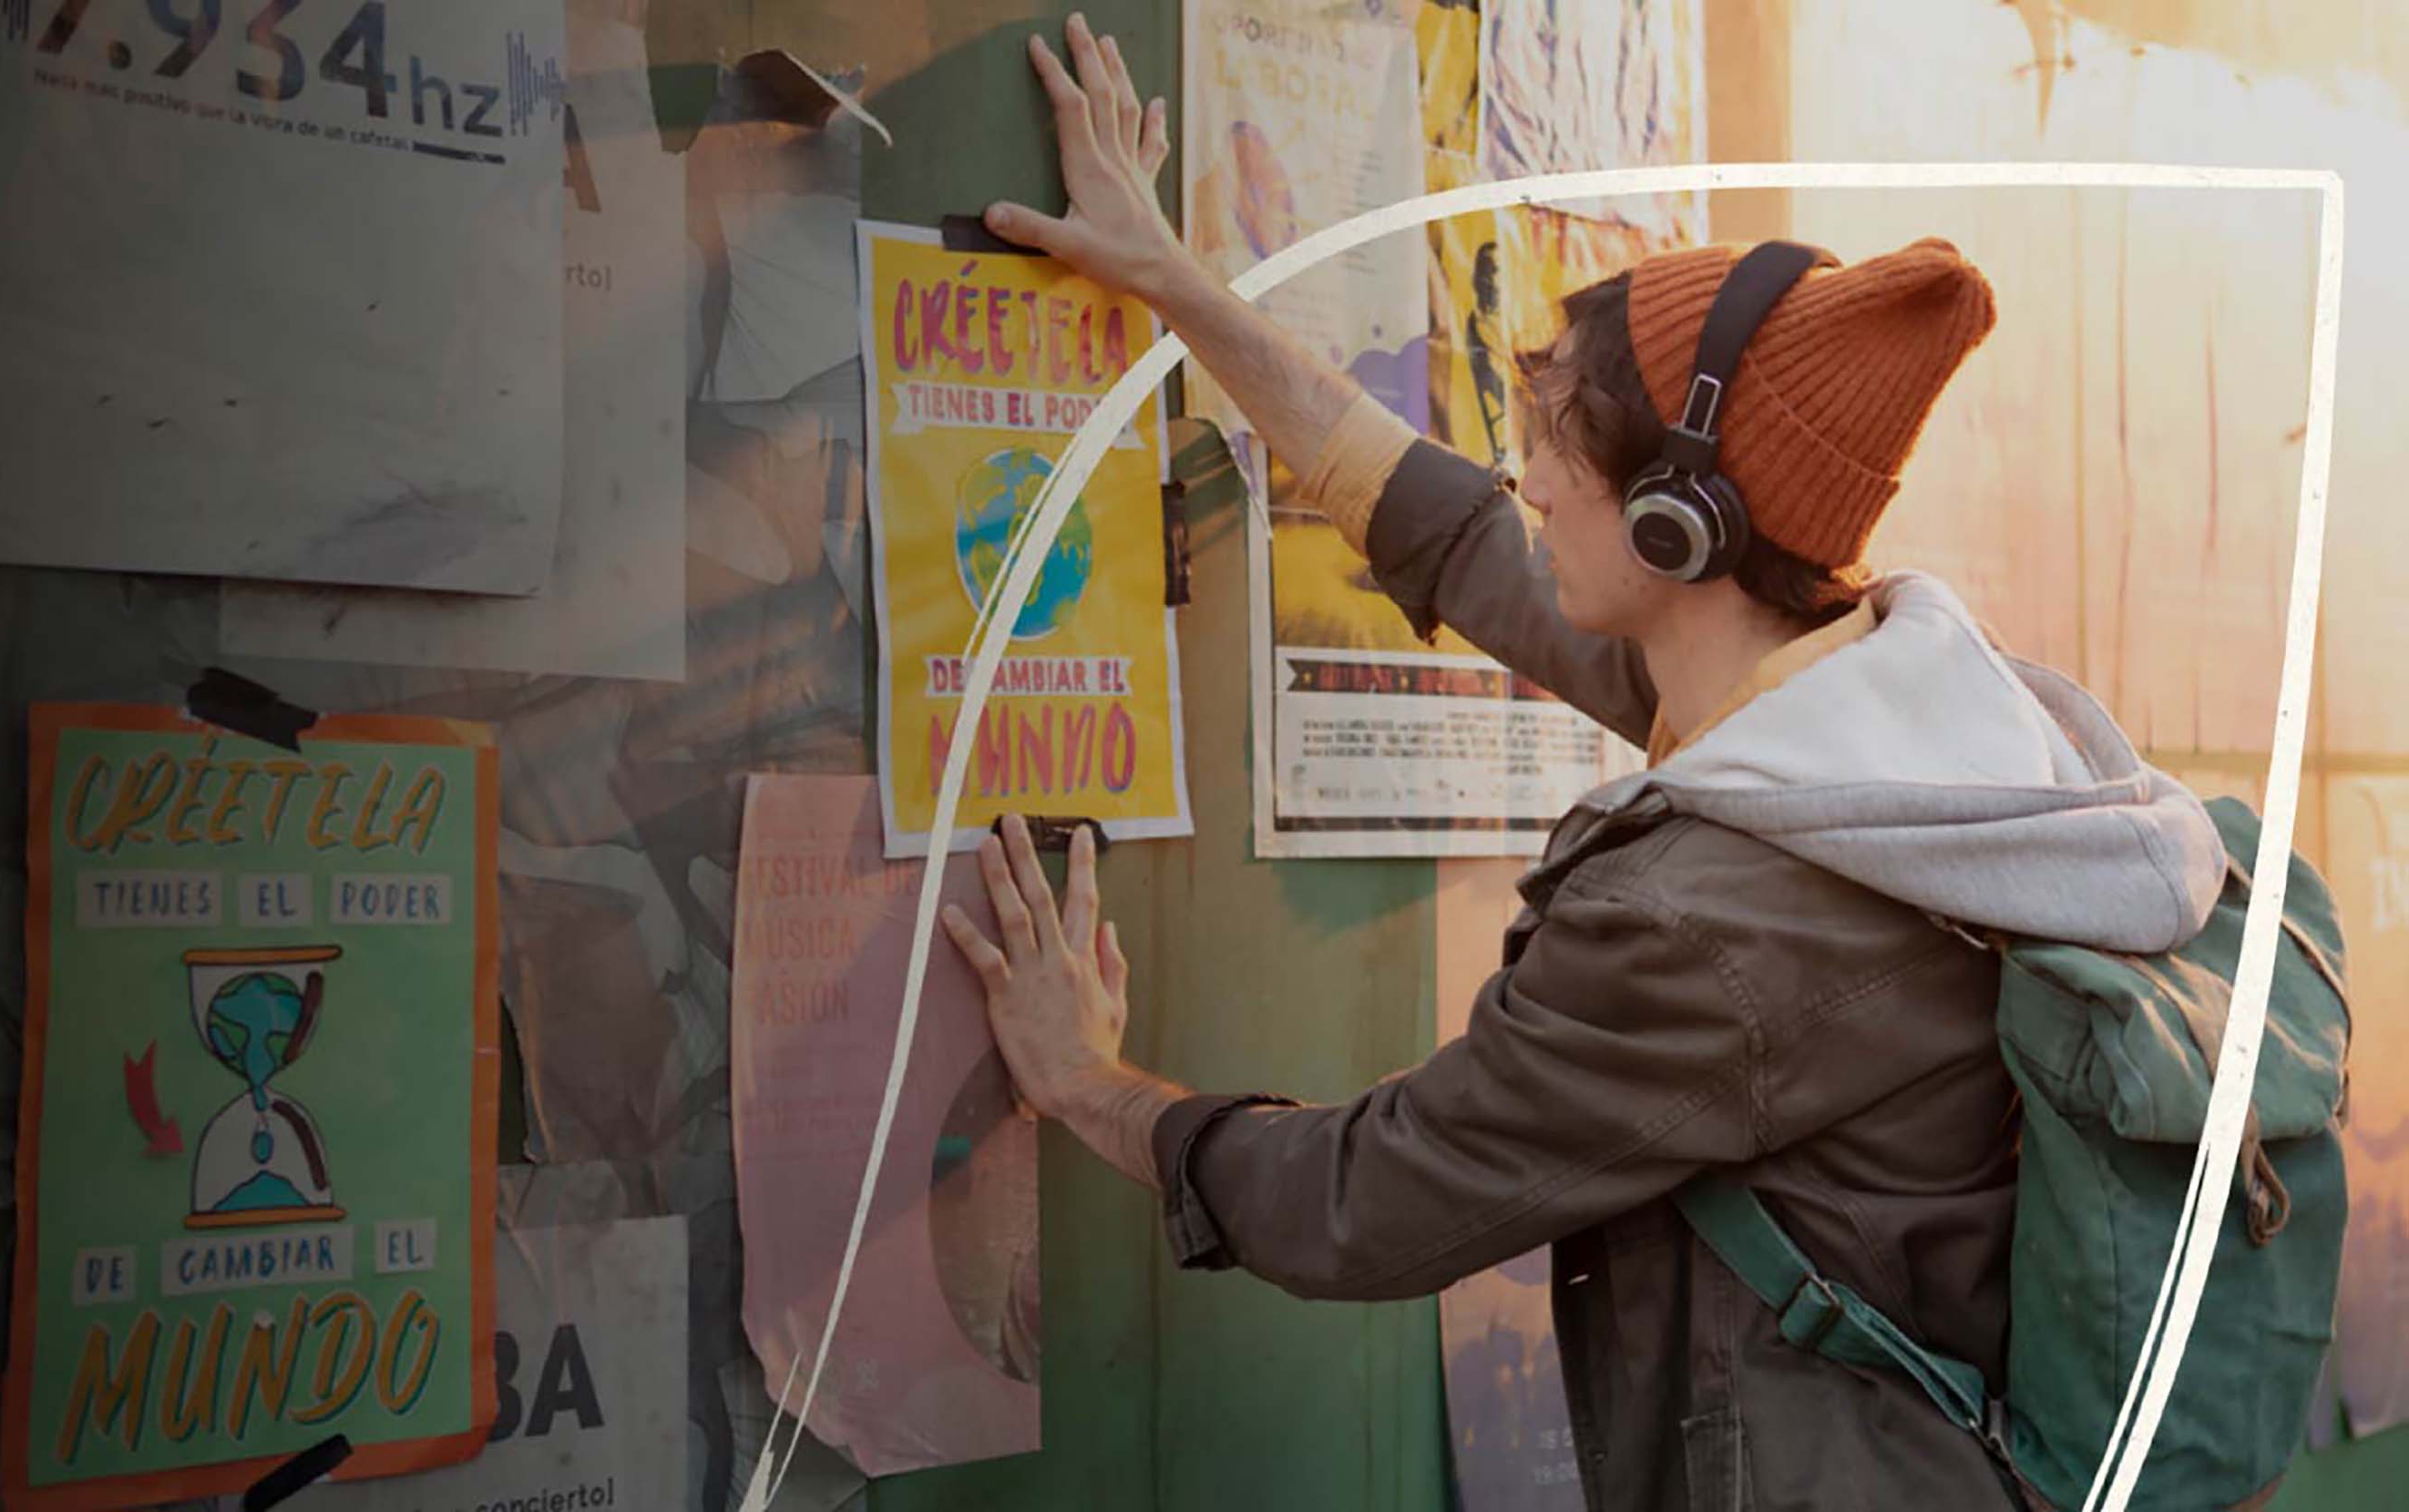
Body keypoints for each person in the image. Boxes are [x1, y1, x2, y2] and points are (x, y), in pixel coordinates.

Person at [935, 15, 2228, 1509]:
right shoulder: (1909, 734)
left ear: (1684, 529)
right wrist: (1172, 283)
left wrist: (1087, 1078)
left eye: (1560, 443)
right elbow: (1454, 533)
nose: (1528, 477)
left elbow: (1365, 1201)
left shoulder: (1706, 916)